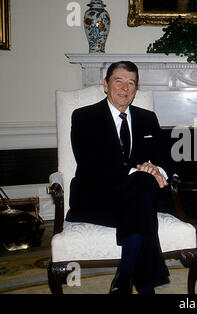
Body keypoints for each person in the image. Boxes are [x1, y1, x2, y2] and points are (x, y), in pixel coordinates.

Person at [66, 61, 172, 294]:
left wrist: (158, 171)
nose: (125, 88)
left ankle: (124, 276)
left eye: (131, 83)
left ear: (136, 88)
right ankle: (142, 284)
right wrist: (138, 172)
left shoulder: (148, 118)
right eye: (118, 81)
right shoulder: (84, 117)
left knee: (143, 186)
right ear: (105, 85)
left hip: (138, 198)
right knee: (142, 194)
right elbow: (89, 164)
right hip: (98, 199)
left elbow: (165, 158)